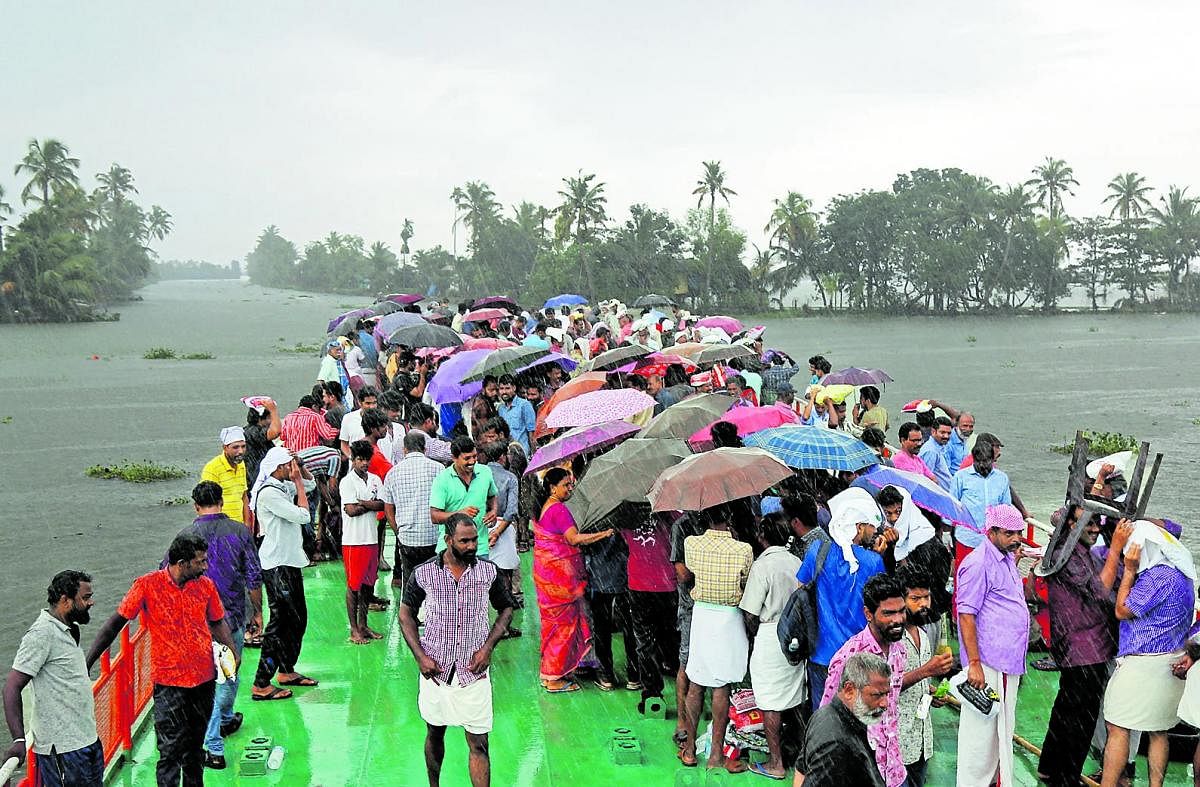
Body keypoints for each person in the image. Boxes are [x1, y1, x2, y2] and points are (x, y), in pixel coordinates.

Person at [88, 533, 237, 787]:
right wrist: (88, 662)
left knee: (194, 750)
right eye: (200, 562)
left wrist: (232, 655)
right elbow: (115, 624)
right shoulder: (147, 585)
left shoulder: (205, 586)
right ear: (181, 562)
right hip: (169, 685)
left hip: (204, 681)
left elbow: (216, 621)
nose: (205, 566)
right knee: (169, 752)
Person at [400, 511, 516, 787]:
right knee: (435, 733)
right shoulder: (424, 573)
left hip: (473, 671)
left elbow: (506, 608)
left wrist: (487, 648)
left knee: (479, 743)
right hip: (435, 672)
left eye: (475, 540)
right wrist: (421, 657)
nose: (472, 546)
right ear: (448, 539)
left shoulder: (488, 572)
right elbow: (406, 614)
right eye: (464, 541)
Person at [1100, 521, 1196, 787]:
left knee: (1117, 727)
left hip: (1143, 665)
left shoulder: (1157, 577)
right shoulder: (1183, 575)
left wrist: (1129, 572)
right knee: (1158, 731)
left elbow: (1122, 610)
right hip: (1172, 661)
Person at [1038, 508, 1128, 787]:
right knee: (1081, 718)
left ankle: (1050, 767)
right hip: (1085, 647)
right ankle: (1066, 778)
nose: (1095, 529)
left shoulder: (1073, 549)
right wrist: (1115, 547)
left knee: (1066, 707)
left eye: (1097, 524)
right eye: (1088, 524)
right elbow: (1102, 592)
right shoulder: (1068, 553)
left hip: (1081, 645)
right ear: (1072, 524)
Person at [179, 481, 262, 770]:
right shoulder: (239, 532)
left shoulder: (186, 536)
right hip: (232, 617)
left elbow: (167, 576)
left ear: (195, 505)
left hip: (196, 623)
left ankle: (223, 721)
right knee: (227, 674)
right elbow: (253, 575)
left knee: (207, 680)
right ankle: (214, 743)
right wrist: (258, 612)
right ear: (223, 502)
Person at [955, 503, 1029, 787]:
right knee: (981, 735)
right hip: (989, 663)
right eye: (1010, 533)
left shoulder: (1005, 555)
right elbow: (966, 614)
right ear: (993, 531)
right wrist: (974, 664)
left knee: (999, 731)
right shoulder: (977, 563)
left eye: (1019, 533)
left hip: (1007, 661)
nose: (1017, 539)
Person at [4, 571, 101, 787]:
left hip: (87, 741)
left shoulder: (68, 629)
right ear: (65, 601)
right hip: (64, 752)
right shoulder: (42, 633)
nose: (91, 602)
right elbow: (11, 686)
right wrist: (19, 739)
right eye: (85, 598)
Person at [678, 504, 754, 774]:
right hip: (729, 618)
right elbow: (745, 582)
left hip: (702, 616)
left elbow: (688, 575)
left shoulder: (692, 543)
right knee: (722, 687)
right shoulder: (744, 549)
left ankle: (688, 751)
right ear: (729, 518)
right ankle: (716, 756)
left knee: (697, 683)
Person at [797, 487, 887, 710]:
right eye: (870, 527)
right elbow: (881, 602)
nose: (874, 532)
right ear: (858, 527)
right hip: (858, 656)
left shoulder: (818, 550)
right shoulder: (872, 562)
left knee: (823, 716)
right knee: (857, 716)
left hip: (822, 652)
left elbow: (800, 587)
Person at [818, 573, 910, 787]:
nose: (898, 619)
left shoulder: (900, 651)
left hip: (894, 770)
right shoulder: (848, 658)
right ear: (868, 613)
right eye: (888, 613)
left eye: (901, 611)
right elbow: (827, 719)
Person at [531, 468, 614, 693]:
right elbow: (573, 539)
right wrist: (603, 534)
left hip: (547, 576)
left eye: (571, 484)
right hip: (562, 579)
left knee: (552, 626)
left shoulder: (542, 507)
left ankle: (549, 673)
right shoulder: (559, 510)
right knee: (564, 627)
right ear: (552, 488)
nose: (570, 488)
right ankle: (556, 679)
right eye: (566, 485)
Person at [739, 512, 805, 780]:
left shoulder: (762, 566)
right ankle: (802, 757)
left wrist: (753, 633)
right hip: (796, 638)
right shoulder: (797, 562)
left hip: (770, 635)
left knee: (769, 703)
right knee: (796, 700)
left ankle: (776, 763)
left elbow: (750, 612)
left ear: (762, 537)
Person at [249, 447, 318, 701]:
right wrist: (297, 481)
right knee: (280, 623)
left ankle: (287, 669)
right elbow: (302, 515)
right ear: (280, 468)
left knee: (298, 619)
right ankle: (261, 682)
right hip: (277, 564)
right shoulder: (269, 494)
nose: (293, 470)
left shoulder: (280, 485)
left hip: (289, 561)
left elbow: (310, 486)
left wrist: (301, 469)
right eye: (290, 465)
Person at [794, 652, 891, 787]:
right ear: (849, 690)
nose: (885, 703)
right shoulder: (836, 744)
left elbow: (801, 769)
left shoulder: (823, 714)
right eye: (877, 695)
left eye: (887, 694)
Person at [895, 564, 953, 787]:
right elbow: (884, 687)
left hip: (921, 741)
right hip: (896, 742)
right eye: (915, 598)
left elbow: (917, 681)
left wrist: (931, 692)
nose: (923, 604)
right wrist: (928, 670)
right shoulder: (891, 638)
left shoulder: (923, 634)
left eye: (926, 597)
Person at [383, 431, 444, 595]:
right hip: (434, 537)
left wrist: (398, 532)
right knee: (436, 585)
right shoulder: (439, 469)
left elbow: (388, 509)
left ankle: (409, 618)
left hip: (407, 538)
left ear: (405, 449)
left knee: (410, 585)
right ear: (425, 449)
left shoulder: (393, 473)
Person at [340, 440, 386, 644]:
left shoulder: (376, 480)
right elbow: (350, 511)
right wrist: (372, 505)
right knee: (353, 586)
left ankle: (364, 625)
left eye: (367, 459)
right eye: (360, 459)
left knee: (368, 585)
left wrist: (363, 503)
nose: (364, 463)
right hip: (353, 542)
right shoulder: (347, 482)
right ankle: (353, 629)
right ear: (353, 459)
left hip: (371, 540)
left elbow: (382, 504)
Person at [950, 439, 1015, 574]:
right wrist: (947, 533)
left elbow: (1006, 508)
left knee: (991, 576)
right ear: (973, 459)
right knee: (965, 576)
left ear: (993, 459)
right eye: (979, 461)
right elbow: (952, 505)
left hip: (993, 541)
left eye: (986, 462)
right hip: (967, 538)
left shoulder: (1002, 478)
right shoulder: (960, 477)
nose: (982, 465)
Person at [430, 437, 498, 559]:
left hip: (480, 547)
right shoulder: (442, 480)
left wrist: (493, 511)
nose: (472, 461)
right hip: (450, 549)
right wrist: (459, 514)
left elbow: (492, 496)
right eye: (467, 458)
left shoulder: (485, 472)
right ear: (454, 458)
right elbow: (434, 516)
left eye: (475, 456)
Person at [480, 440, 521, 637]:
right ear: (502, 457)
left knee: (481, 576)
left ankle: (481, 624)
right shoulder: (510, 478)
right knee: (505, 576)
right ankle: (503, 625)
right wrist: (497, 532)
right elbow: (511, 511)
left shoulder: (478, 474)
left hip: (479, 526)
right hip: (503, 528)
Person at [200, 426, 249, 525]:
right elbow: (206, 503)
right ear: (225, 448)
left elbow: (244, 497)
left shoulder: (241, 465)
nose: (240, 451)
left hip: (238, 526)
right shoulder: (212, 468)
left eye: (243, 446)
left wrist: (247, 525)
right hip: (220, 528)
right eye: (235, 447)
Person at [242, 399, 281, 496]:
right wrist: (273, 411)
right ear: (260, 419)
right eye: (269, 418)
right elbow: (276, 432)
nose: (271, 421)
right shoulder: (253, 432)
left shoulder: (251, 431)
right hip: (255, 481)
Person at [495, 374, 536, 456]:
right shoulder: (500, 409)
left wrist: (534, 455)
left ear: (514, 388)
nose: (504, 392)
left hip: (524, 453)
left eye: (507, 388)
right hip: (509, 454)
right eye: (501, 389)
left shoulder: (524, 405)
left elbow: (532, 433)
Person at [338, 385, 379, 456]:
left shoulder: (382, 419)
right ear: (360, 402)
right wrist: (352, 458)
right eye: (368, 403)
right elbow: (344, 444)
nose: (372, 407)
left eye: (374, 403)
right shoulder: (348, 418)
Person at [917, 416, 954, 489]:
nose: (946, 436)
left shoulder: (939, 447)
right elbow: (926, 478)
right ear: (933, 431)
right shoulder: (931, 451)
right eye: (942, 432)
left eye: (949, 433)